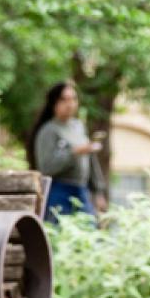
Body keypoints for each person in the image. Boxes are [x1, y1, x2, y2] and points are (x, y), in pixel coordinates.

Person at [29, 83, 96, 222]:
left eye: (73, 99)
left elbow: (91, 161)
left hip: (81, 189)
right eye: (64, 100)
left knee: (89, 229)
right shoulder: (48, 131)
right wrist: (73, 153)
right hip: (59, 189)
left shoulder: (78, 126)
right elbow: (46, 167)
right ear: (54, 103)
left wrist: (97, 189)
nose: (70, 104)